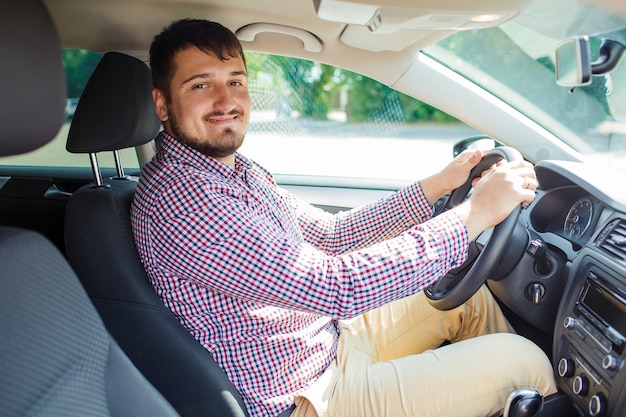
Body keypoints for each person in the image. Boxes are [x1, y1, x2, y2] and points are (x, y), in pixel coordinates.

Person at [131, 18, 556, 417]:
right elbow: (337, 286)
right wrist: (474, 214)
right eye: (201, 84)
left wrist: (440, 185)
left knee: (470, 300)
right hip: (306, 397)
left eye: (235, 82)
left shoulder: (234, 171)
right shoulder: (184, 200)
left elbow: (331, 235)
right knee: (526, 364)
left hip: (325, 341)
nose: (226, 100)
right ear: (163, 104)